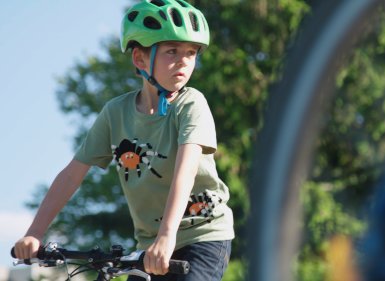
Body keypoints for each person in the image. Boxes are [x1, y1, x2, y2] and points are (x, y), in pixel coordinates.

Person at [14, 0, 234, 280]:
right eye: (171, 51)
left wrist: (167, 237)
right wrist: (34, 233)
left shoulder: (191, 104)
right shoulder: (115, 113)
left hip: (202, 236)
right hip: (149, 246)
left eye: (191, 52)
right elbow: (72, 174)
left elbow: (186, 171)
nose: (183, 60)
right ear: (140, 59)